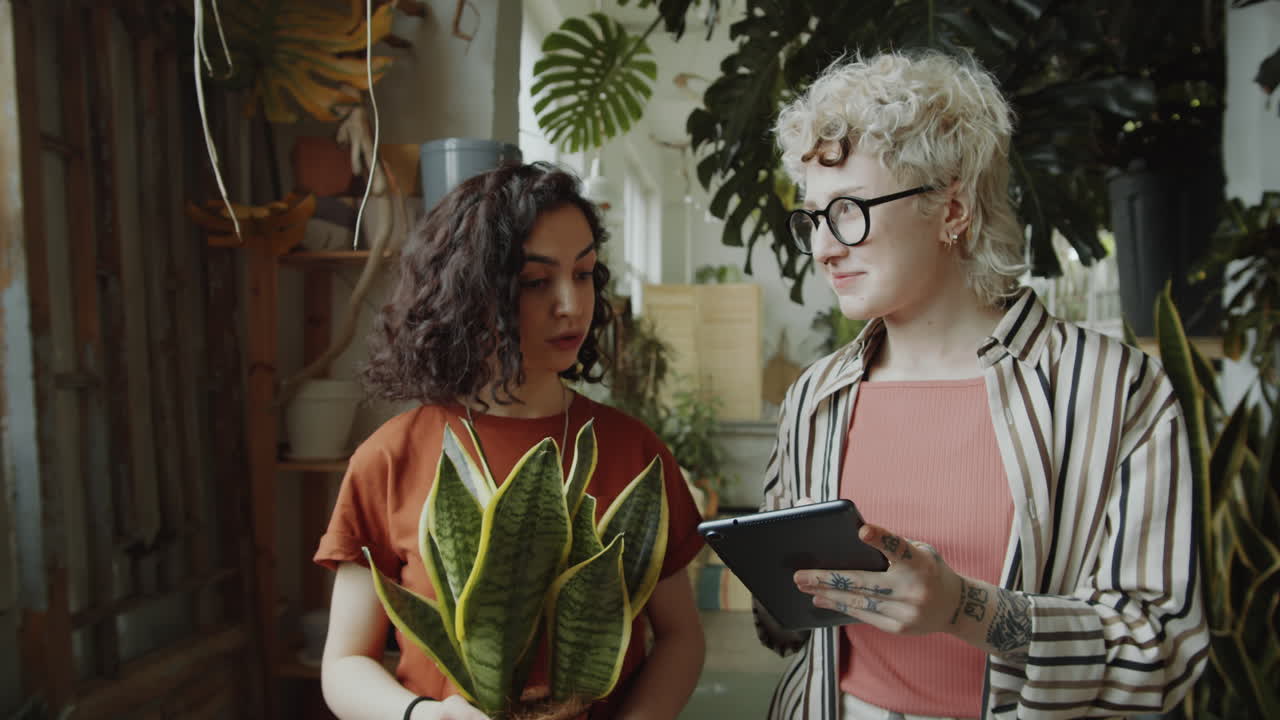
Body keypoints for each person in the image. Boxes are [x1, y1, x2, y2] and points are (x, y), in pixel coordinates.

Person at [757, 50, 1208, 720]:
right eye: (814, 217)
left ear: (952, 209)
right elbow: (791, 616)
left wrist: (966, 610)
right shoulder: (814, 396)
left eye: (849, 209)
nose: (824, 247)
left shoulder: (1114, 390)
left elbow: (1162, 651)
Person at [315, 162, 706, 720]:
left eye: (584, 273)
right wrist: (425, 716)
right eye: (536, 282)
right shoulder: (390, 457)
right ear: (468, 294)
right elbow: (346, 662)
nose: (572, 304)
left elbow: (680, 638)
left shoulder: (636, 453)